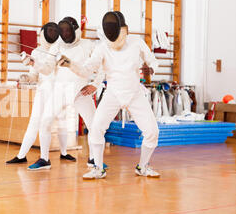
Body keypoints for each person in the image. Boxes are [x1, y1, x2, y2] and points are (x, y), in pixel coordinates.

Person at [58, 11, 160, 179]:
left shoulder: (137, 43)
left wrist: (152, 69)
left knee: (152, 131)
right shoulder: (102, 48)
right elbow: (86, 69)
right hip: (113, 94)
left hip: (135, 93)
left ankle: (143, 167)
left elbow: (153, 60)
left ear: (123, 29)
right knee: (96, 129)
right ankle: (98, 168)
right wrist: (70, 64)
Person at [27, 17, 106, 171]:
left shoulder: (87, 45)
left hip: (81, 91)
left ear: (75, 30)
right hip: (60, 90)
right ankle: (44, 159)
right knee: (45, 122)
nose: (65, 33)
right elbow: (48, 69)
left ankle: (94, 159)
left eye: (67, 30)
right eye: (62, 31)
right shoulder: (56, 46)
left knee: (94, 126)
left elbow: (102, 66)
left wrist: (95, 85)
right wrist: (34, 63)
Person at [6, 22, 76, 165]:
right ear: (42, 34)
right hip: (43, 91)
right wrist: (25, 78)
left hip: (59, 92)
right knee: (36, 123)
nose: (50, 34)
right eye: (48, 32)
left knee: (62, 122)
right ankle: (22, 155)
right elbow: (34, 76)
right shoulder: (36, 52)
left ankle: (64, 153)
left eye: (53, 32)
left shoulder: (60, 51)